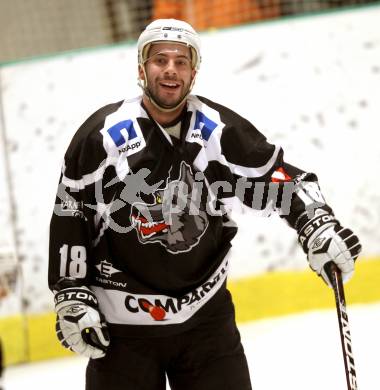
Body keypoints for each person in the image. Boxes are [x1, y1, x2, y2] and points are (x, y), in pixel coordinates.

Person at [48, 19, 361, 390]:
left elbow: (276, 180)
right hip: (123, 332)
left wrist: (316, 224)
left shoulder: (217, 130)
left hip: (205, 324)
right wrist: (71, 292)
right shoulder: (102, 137)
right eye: (159, 59)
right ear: (141, 68)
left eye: (182, 61)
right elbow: (72, 211)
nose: (170, 69)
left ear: (193, 74)